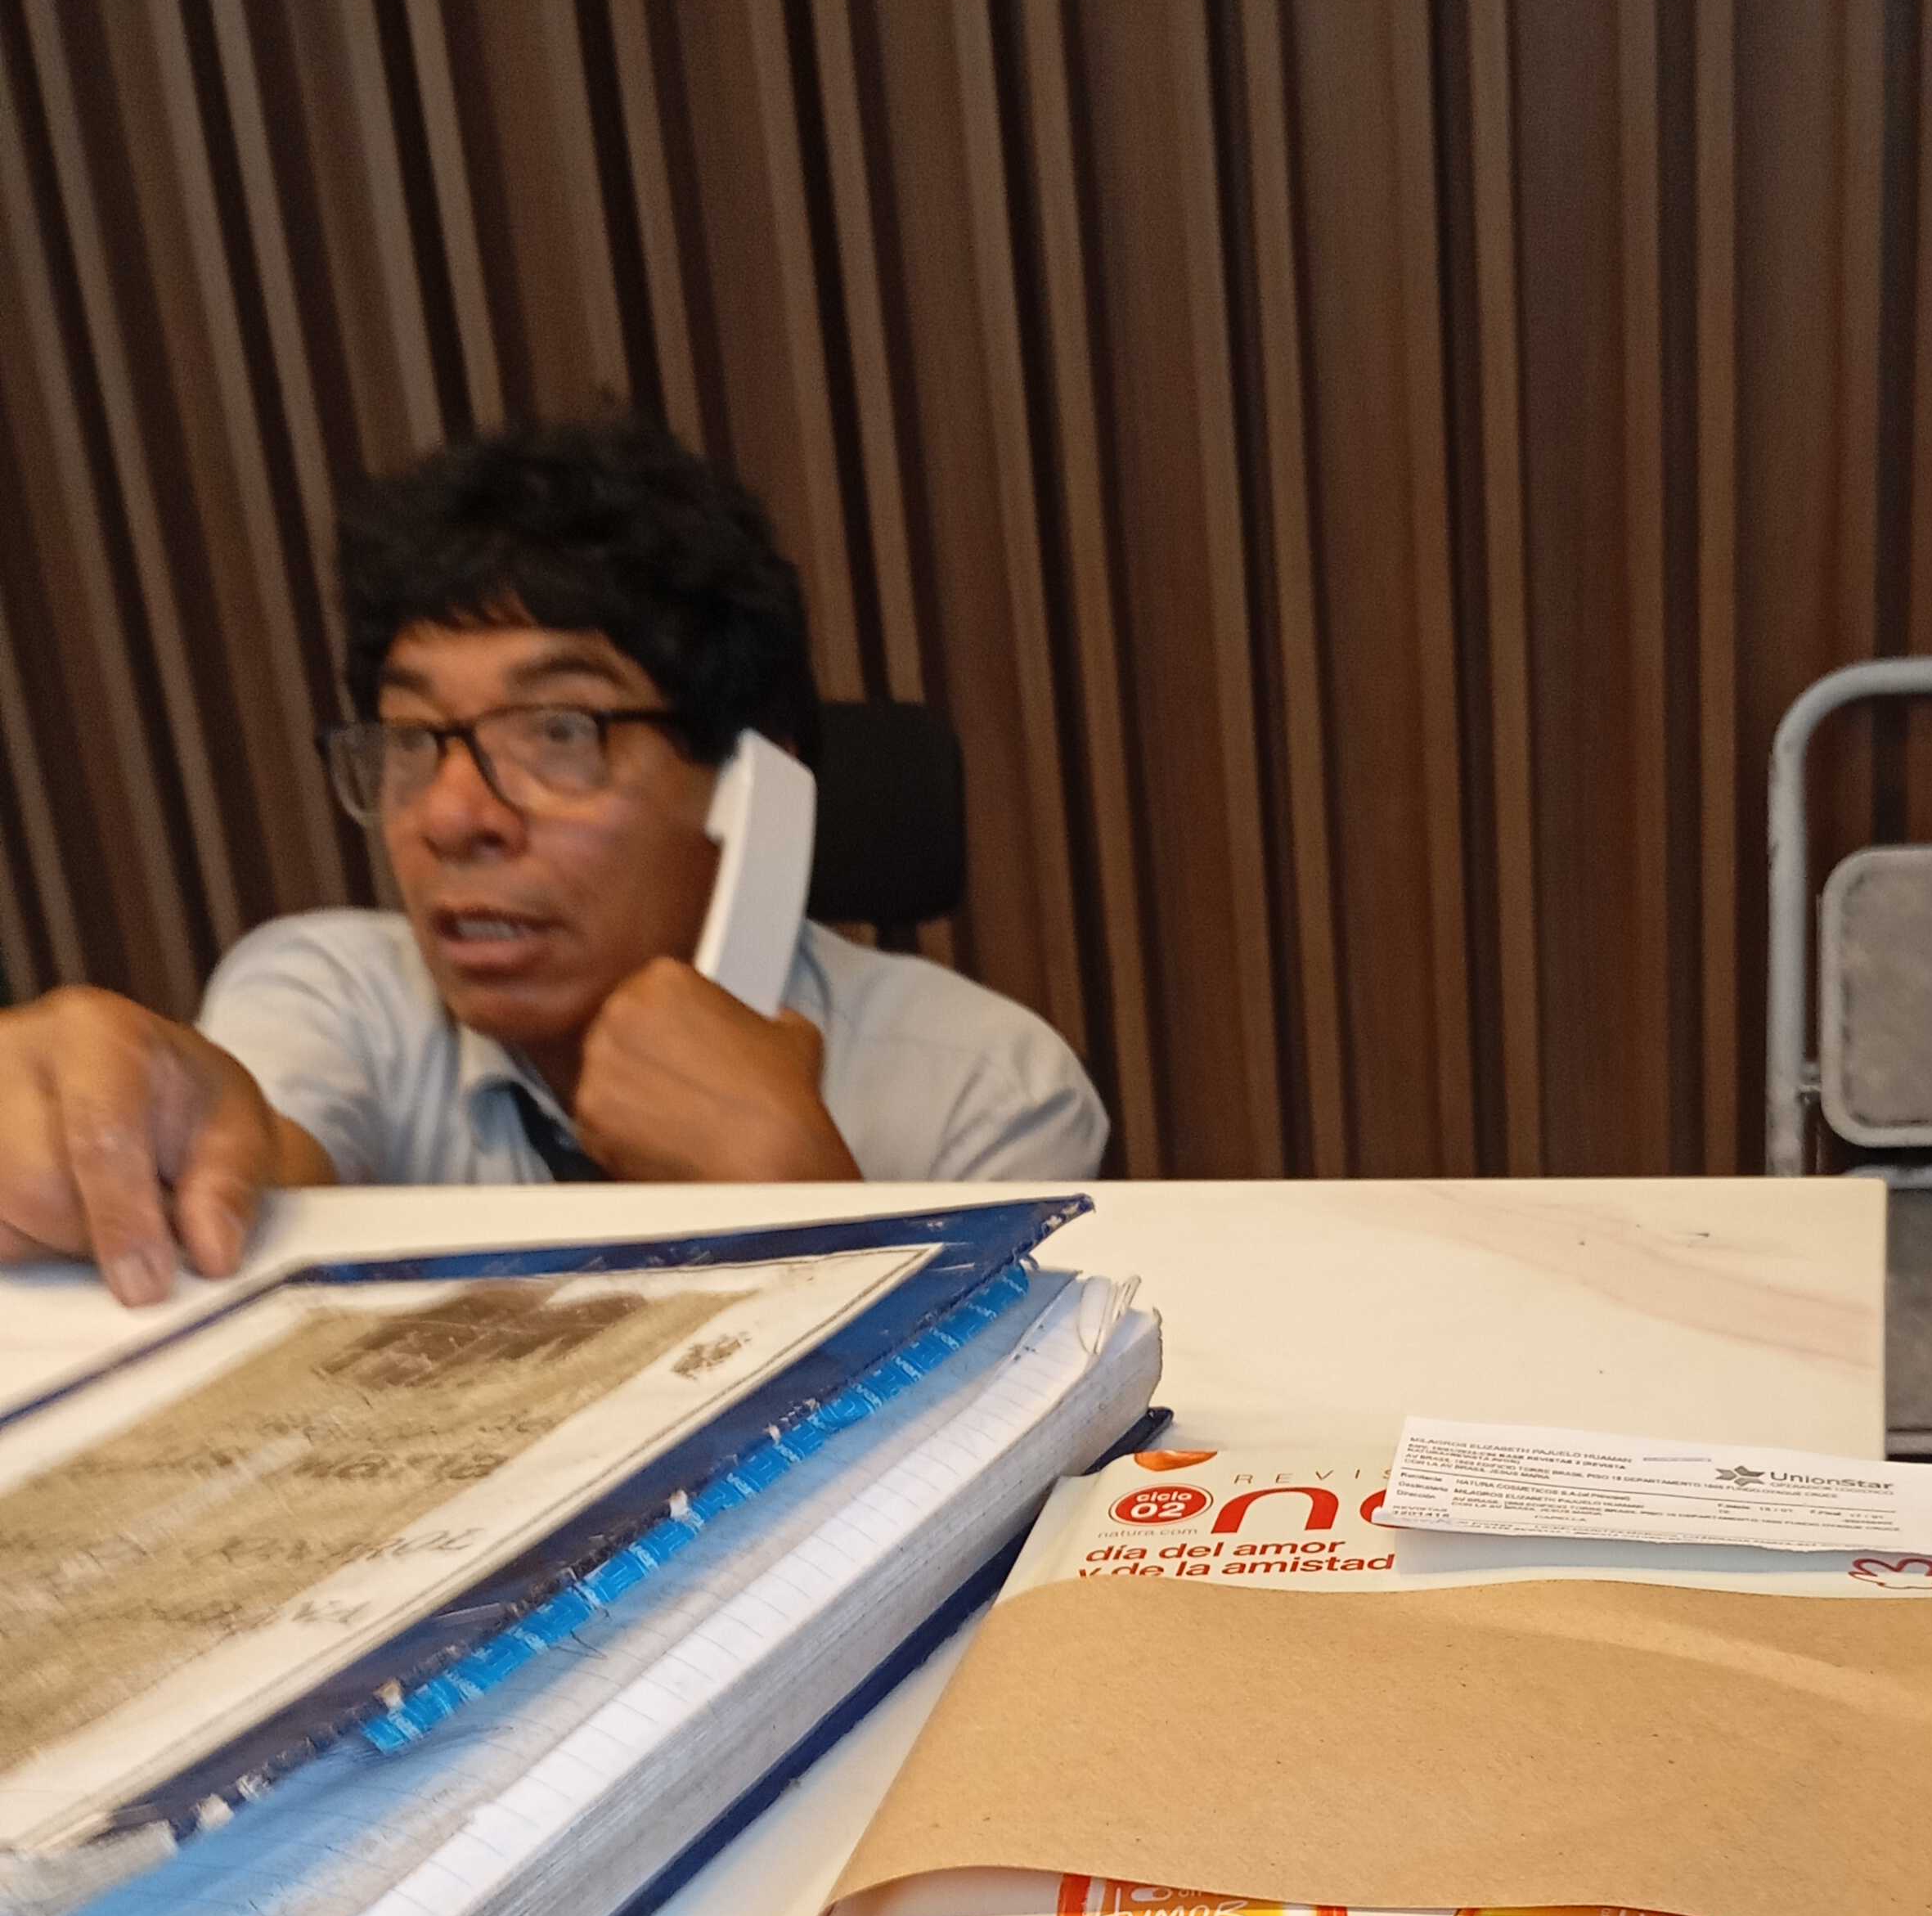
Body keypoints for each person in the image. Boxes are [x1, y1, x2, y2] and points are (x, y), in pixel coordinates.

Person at [0, 415, 1107, 1305]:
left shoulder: (983, 1091)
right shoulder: (333, 992)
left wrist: (802, 1205)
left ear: (751, 784)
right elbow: (260, 1159)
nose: (451, 817)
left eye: (559, 732)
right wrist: (159, 1148)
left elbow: (1035, 1480)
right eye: (412, 738)